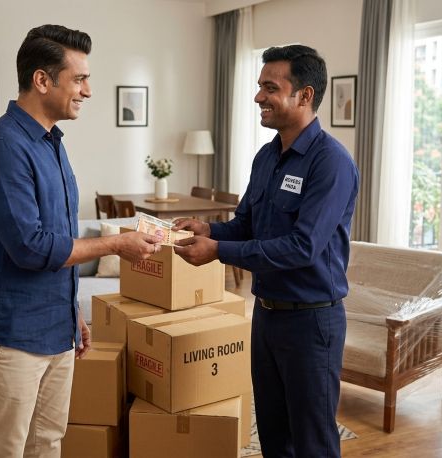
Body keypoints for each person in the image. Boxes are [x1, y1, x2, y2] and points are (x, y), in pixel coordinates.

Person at [0, 24, 162, 458]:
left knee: (49, 442)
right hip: (13, 333)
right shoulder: (3, 147)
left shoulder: (52, 143)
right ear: (42, 80)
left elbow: (59, 237)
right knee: (4, 449)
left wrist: (71, 312)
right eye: (79, 79)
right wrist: (117, 245)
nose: (88, 91)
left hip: (56, 327)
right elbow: (32, 247)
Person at [172, 45, 359, 457]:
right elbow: (246, 225)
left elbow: (302, 247)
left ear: (305, 95)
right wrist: (208, 228)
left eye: (270, 88)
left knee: (313, 442)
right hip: (266, 316)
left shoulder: (331, 163)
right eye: (260, 86)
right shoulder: (266, 157)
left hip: (312, 322)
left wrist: (218, 250)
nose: (259, 97)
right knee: (274, 436)